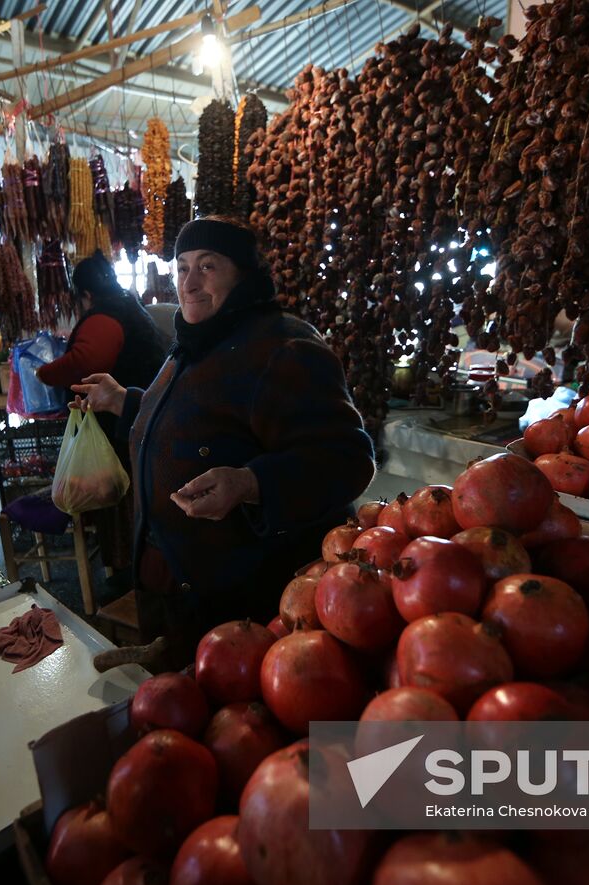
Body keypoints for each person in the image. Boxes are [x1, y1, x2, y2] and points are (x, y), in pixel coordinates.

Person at [73, 217, 375, 666]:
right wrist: (125, 402)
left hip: (247, 606)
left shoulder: (284, 348)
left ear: (244, 274)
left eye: (208, 267)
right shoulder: (198, 341)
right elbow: (200, 423)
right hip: (181, 593)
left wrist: (251, 483)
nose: (189, 283)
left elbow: (348, 458)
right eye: (182, 267)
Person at [36, 249, 167, 436]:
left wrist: (43, 374)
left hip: (124, 424)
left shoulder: (105, 315)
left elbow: (84, 362)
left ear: (87, 295)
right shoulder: (127, 306)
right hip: (141, 413)